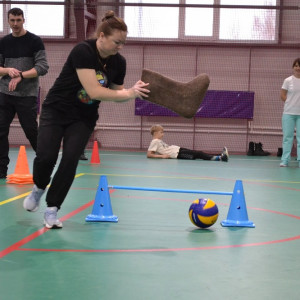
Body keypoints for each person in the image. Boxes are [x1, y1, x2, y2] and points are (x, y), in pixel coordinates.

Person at [23, 10, 150, 228]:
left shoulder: (119, 62)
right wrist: (128, 93)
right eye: (116, 42)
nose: (120, 47)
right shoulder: (83, 51)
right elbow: (94, 91)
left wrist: (132, 92)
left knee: (71, 159)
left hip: (83, 117)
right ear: (101, 36)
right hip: (56, 110)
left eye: (123, 43)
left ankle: (52, 208)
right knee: (46, 157)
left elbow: (117, 94)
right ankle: (39, 188)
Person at [0, 7, 49, 179]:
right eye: (12, 20)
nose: (15, 24)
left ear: (23, 20)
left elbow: (43, 67)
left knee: (31, 131)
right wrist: (7, 70)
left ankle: (46, 164)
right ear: (8, 21)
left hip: (27, 95)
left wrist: (21, 75)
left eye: (18, 20)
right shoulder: (3, 42)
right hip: (5, 94)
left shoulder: (35, 41)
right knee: (0, 130)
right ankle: (1, 170)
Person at [147, 124, 228, 162]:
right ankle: (219, 158)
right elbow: (149, 154)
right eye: (161, 132)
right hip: (177, 154)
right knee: (198, 154)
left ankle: (220, 155)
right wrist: (162, 156)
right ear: (155, 133)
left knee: (196, 152)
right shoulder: (154, 142)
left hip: (178, 149)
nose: (163, 134)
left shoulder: (158, 141)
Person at [280, 58, 300, 167]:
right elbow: (282, 95)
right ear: (293, 67)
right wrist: (290, 103)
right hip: (288, 113)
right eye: (296, 66)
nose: (298, 68)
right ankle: (285, 160)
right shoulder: (287, 80)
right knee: (288, 137)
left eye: (299, 66)